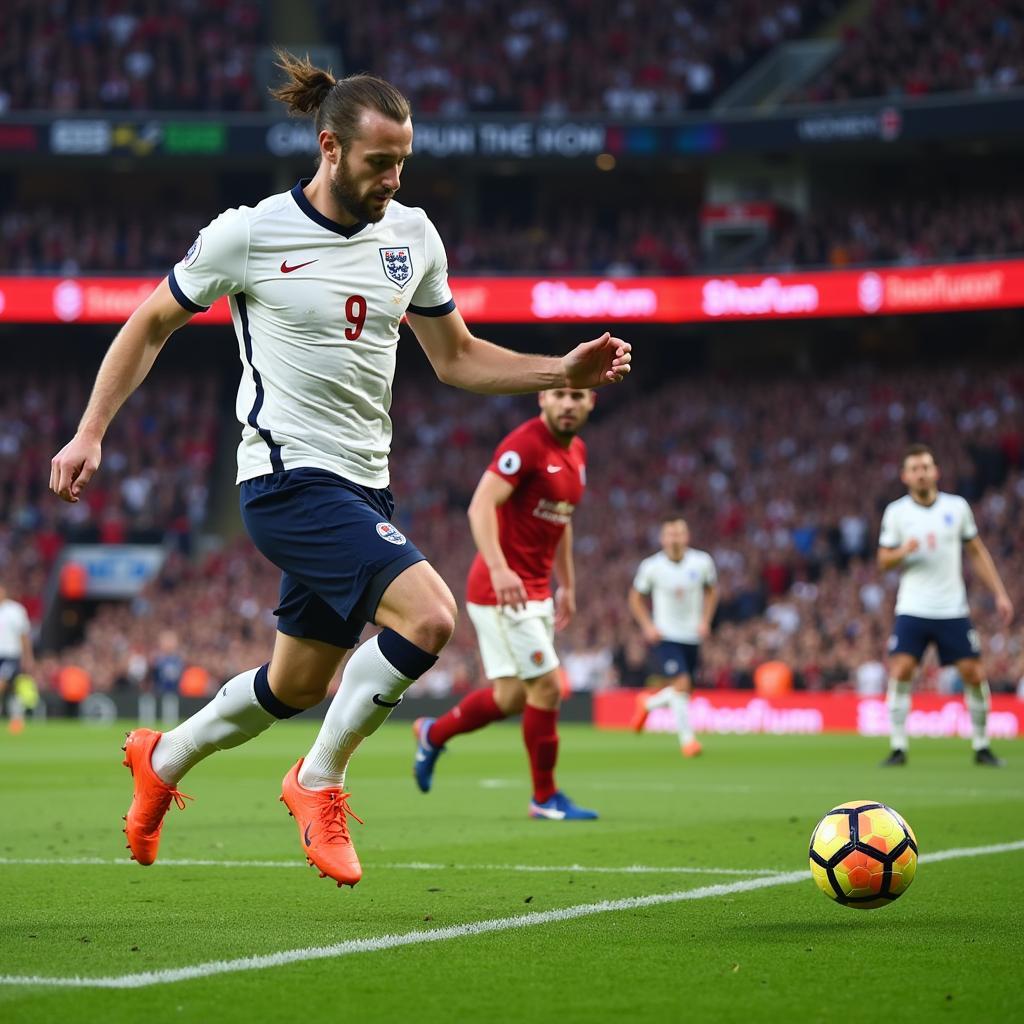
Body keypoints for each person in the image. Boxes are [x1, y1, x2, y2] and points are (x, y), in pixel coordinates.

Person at [49, 52, 631, 888]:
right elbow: (147, 325)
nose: (393, 178)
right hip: (284, 479)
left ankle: (162, 758)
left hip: (363, 481)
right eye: (377, 162)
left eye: (402, 162)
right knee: (429, 618)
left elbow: (457, 357)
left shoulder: (413, 235)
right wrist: (89, 431)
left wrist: (560, 372)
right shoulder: (248, 233)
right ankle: (318, 780)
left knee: (293, 684)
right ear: (330, 147)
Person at [411, 387, 599, 820]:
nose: (567, 403)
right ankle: (544, 797)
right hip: (503, 591)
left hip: (534, 589)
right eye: (559, 394)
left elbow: (561, 519)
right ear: (543, 399)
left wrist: (567, 584)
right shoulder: (526, 444)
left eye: (577, 396)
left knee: (512, 696)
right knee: (548, 687)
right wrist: (498, 568)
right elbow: (480, 507)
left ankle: (434, 733)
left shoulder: (578, 452)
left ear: (592, 402)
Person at [877, 444, 1013, 767]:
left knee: (974, 672)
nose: (921, 473)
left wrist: (999, 592)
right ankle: (898, 746)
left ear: (936, 471)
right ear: (905, 476)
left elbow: (976, 551)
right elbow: (883, 561)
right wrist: (902, 551)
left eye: (926, 466)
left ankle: (981, 745)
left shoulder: (957, 507)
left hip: (952, 607)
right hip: (912, 606)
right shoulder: (897, 513)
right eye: (915, 468)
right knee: (901, 669)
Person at [627, 518, 717, 756]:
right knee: (682, 684)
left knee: (684, 692)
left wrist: (705, 620)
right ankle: (688, 742)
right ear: (662, 538)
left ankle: (647, 703)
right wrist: (647, 625)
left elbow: (712, 591)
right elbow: (635, 597)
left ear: (687, 537)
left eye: (679, 533)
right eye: (670, 534)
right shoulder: (652, 566)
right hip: (666, 635)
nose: (675, 538)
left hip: (692, 636)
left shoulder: (702, 562)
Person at [0, 582, 34, 730]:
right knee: (12, 689)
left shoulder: (15, 610)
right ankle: (16, 719)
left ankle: (16, 719)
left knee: (2, 684)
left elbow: (24, 636)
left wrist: (28, 657)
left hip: (10, 655)